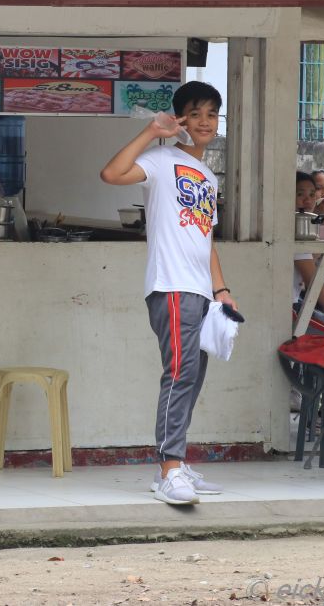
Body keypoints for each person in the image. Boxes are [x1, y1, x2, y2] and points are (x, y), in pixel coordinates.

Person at [100, 81, 236, 505]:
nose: (204, 122)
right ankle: (169, 468)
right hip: (170, 286)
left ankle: (177, 461)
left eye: (212, 115)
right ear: (179, 119)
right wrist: (150, 131)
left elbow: (205, 238)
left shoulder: (209, 177)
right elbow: (112, 174)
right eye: (195, 114)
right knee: (179, 374)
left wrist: (223, 290)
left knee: (191, 378)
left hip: (200, 291)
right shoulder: (161, 160)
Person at [293, 172, 324, 328]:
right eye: (300, 194)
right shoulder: (292, 231)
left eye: (312, 194)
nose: (307, 200)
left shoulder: (304, 230)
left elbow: (304, 269)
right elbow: (313, 283)